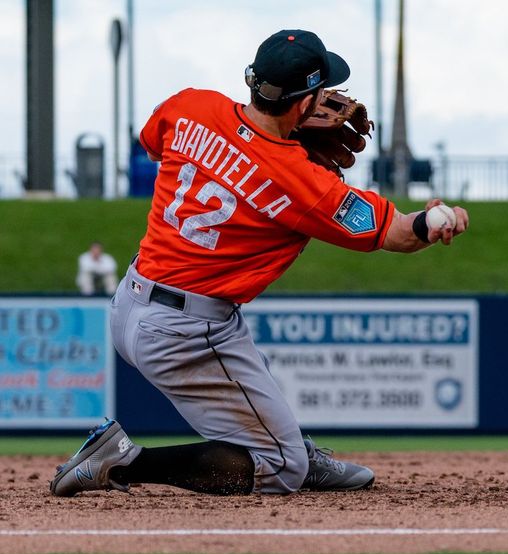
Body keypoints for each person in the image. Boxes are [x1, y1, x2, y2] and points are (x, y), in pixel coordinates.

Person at [50, 29, 469, 498]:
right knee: (278, 468)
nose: (330, 99)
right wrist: (431, 222)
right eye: (319, 91)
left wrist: (248, 148)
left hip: (133, 299)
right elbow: (396, 234)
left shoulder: (191, 105)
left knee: (253, 374)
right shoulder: (302, 182)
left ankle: (291, 445)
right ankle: (123, 461)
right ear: (301, 101)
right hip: (183, 331)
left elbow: (157, 144)